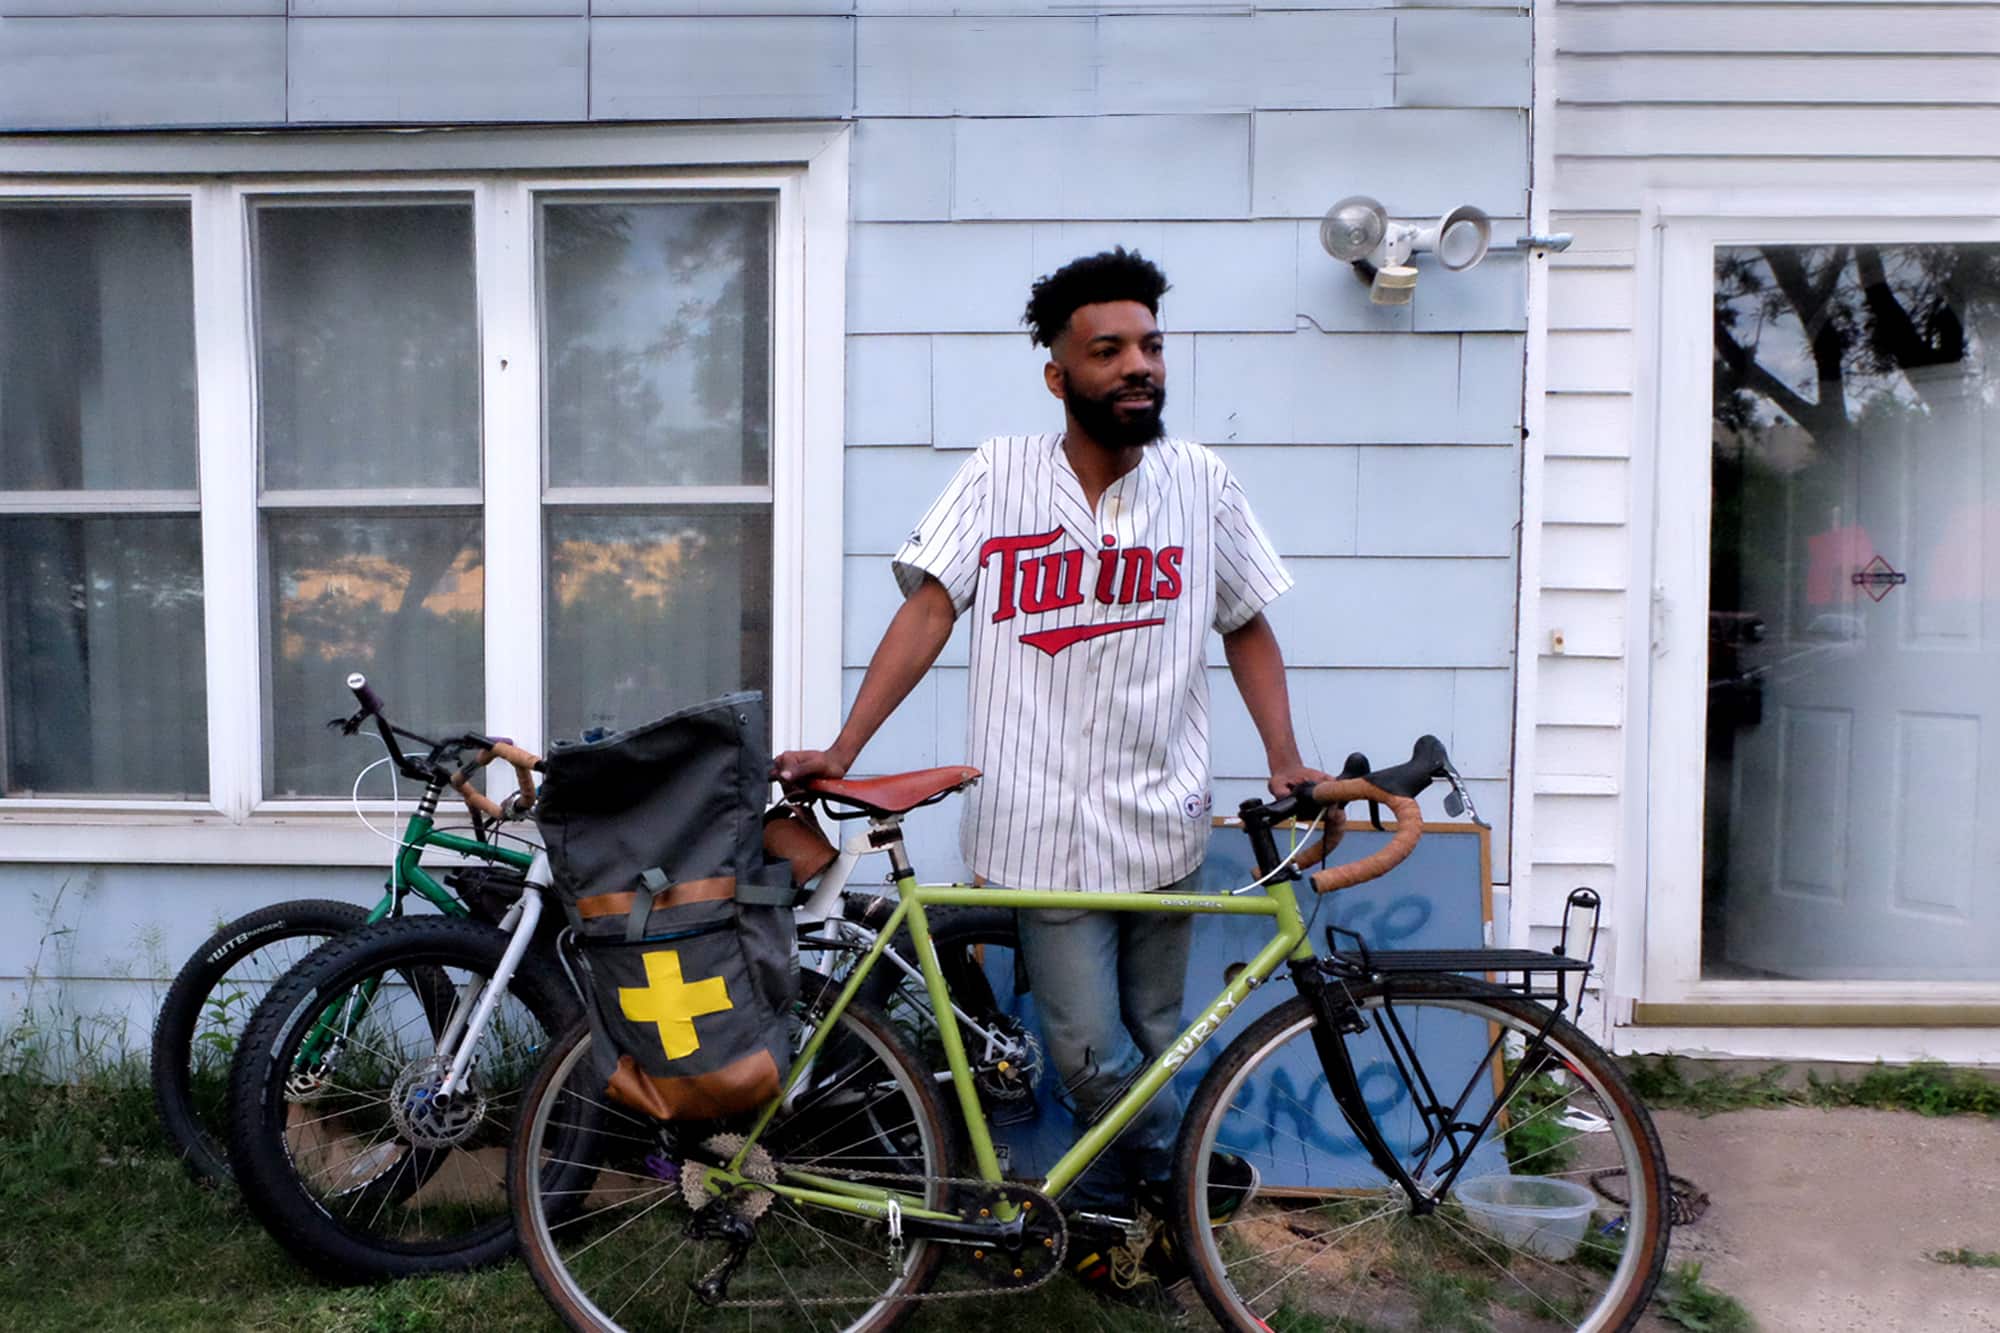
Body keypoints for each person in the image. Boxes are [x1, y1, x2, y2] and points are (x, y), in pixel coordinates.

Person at [774, 247, 1326, 1297]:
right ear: (1057, 374)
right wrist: (843, 751)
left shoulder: (1200, 482)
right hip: (1037, 834)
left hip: (1160, 817)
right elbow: (929, 607)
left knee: (1157, 1040)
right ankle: (1196, 1191)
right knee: (1087, 1058)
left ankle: (1134, 1247)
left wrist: (1286, 756)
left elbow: (1246, 621)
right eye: (1107, 349)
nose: (1138, 367)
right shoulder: (998, 474)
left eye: (1150, 346)